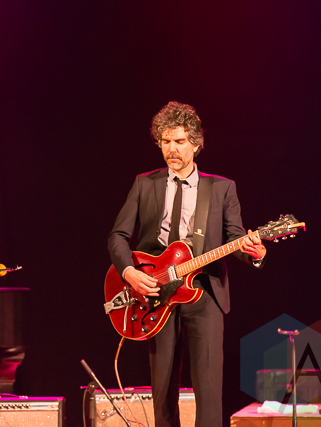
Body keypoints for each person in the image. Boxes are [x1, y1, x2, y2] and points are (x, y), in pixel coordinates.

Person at [107, 102, 266, 427]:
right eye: (165, 141)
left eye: (179, 141)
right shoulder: (144, 183)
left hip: (204, 292)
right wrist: (130, 272)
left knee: (208, 389)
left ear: (196, 143)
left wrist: (255, 252)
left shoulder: (221, 188)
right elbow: (117, 237)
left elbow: (235, 238)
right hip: (156, 292)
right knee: (162, 390)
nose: (172, 149)